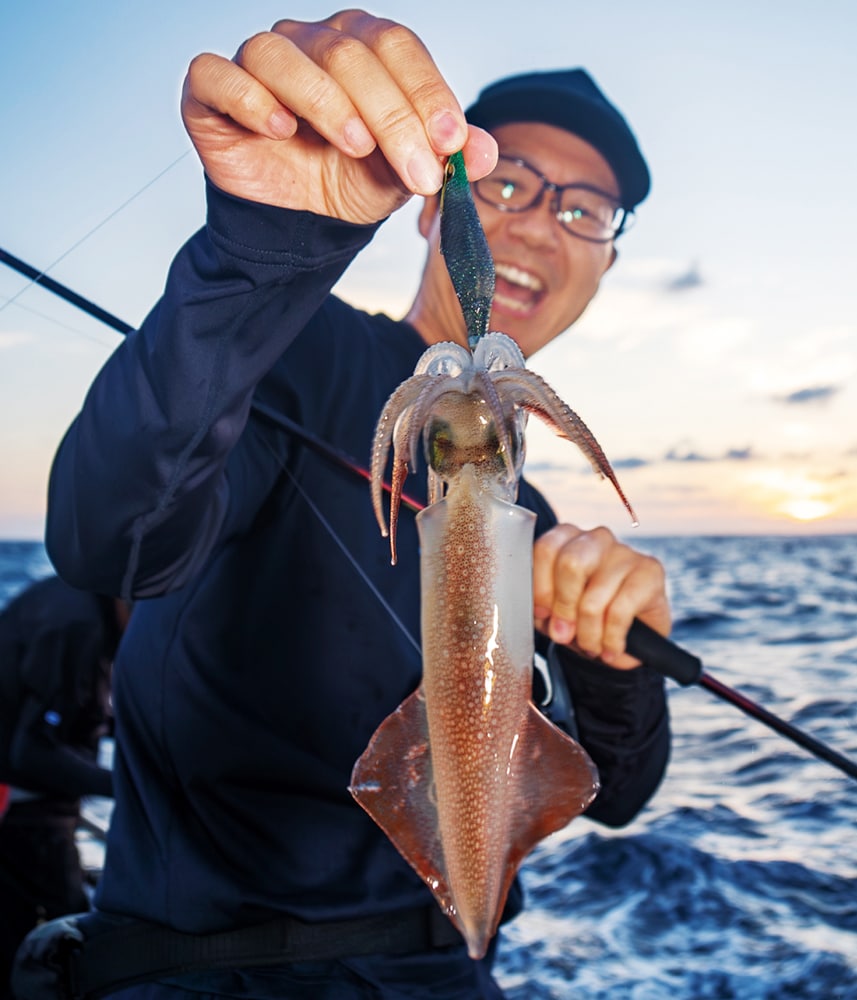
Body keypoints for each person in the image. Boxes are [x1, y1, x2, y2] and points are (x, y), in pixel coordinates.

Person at [39, 11, 671, 999]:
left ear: (603, 263)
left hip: (452, 975)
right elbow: (110, 534)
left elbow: (616, 795)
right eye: (505, 184)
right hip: (213, 975)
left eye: (583, 211)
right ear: (435, 207)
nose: (539, 222)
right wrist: (263, 254)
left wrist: (617, 662)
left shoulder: (531, 516)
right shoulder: (283, 356)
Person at [0, 575, 127, 998]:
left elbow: (69, 710)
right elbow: (32, 750)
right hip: (21, 811)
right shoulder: (75, 626)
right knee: (72, 935)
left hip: (31, 807)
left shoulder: (80, 600)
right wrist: (135, 784)